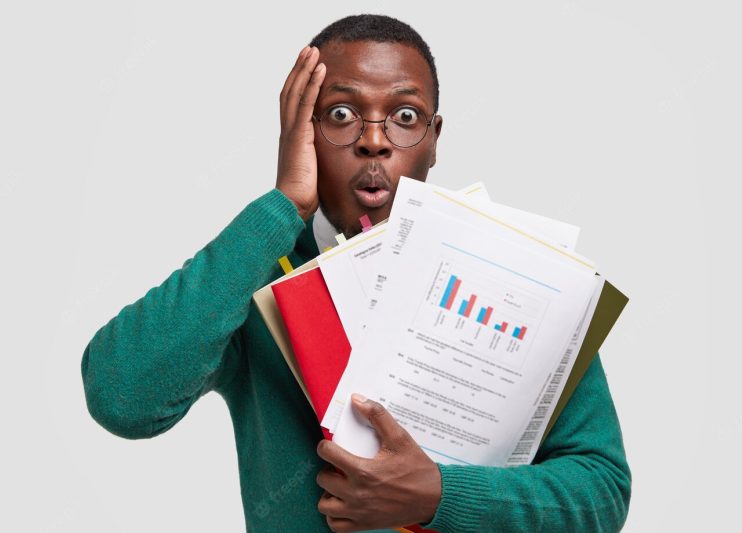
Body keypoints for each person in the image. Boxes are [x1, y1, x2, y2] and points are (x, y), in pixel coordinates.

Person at [81, 14, 631, 532]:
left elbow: (602, 491)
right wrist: (282, 209)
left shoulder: (519, 275)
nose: (374, 139)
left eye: (405, 116)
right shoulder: (255, 273)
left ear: (434, 139)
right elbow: (122, 398)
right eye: (341, 114)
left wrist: (440, 497)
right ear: (305, 133)